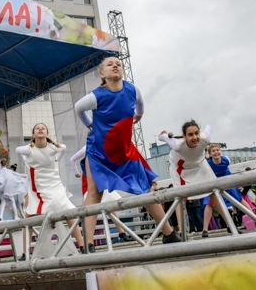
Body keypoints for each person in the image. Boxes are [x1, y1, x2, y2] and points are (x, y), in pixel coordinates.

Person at [75, 56, 181, 250]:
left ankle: (169, 233)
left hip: (125, 150)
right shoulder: (96, 96)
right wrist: (90, 124)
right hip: (98, 151)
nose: (115, 65)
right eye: (110, 64)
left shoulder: (132, 90)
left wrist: (138, 116)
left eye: (118, 64)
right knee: (95, 191)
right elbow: (78, 108)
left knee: (145, 188)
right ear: (102, 74)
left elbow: (140, 105)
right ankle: (88, 243)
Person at [15, 123, 85, 257]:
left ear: (47, 134)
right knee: (28, 217)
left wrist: (57, 159)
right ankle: (25, 253)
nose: (40, 129)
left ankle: (82, 245)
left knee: (67, 212)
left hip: (54, 184)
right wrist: (26, 162)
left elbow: (63, 148)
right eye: (37, 128)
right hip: (38, 188)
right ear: (33, 135)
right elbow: (18, 150)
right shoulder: (29, 149)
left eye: (43, 128)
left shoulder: (53, 147)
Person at [158, 120, 219, 239]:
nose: (195, 137)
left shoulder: (205, 139)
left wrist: (206, 127)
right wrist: (163, 135)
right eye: (190, 135)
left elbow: (208, 126)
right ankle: (182, 232)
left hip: (199, 164)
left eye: (197, 133)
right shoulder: (177, 144)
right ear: (184, 136)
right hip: (181, 169)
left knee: (213, 191)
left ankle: (229, 224)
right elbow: (162, 137)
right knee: (181, 197)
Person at [70, 146, 129, 243]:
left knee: (110, 205)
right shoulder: (87, 147)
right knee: (92, 211)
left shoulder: (102, 145)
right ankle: (89, 241)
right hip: (90, 181)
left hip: (101, 179)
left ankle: (121, 231)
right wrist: (76, 172)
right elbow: (72, 159)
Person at [205, 144, 254, 230]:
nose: (216, 152)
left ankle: (254, 218)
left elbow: (227, 171)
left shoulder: (226, 160)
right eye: (213, 151)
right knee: (209, 203)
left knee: (239, 199)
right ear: (210, 154)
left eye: (217, 150)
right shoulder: (207, 164)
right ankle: (205, 229)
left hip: (227, 179)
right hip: (215, 182)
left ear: (220, 151)